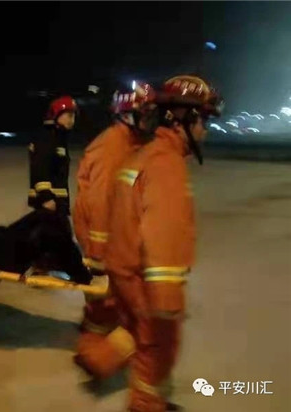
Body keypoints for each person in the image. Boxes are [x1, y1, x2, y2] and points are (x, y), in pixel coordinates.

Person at [104, 75, 223, 412]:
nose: (205, 131)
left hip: (124, 269)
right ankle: (145, 405)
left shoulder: (148, 153)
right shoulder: (166, 164)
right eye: (203, 121)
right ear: (184, 119)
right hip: (143, 277)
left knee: (137, 336)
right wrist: (167, 295)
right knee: (158, 347)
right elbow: (163, 233)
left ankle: (96, 361)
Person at [73, 83, 158, 378]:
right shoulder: (113, 148)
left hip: (115, 238)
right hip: (105, 241)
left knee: (105, 305)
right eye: (145, 114)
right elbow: (99, 203)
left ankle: (94, 341)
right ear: (127, 115)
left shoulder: (129, 143)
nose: (151, 121)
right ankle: (100, 360)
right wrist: (98, 254)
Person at [28, 96, 78, 216]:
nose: (72, 120)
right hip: (50, 203)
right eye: (69, 116)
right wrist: (46, 198)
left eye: (74, 116)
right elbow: (40, 168)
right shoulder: (47, 138)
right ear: (56, 115)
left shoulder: (59, 139)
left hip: (58, 203)